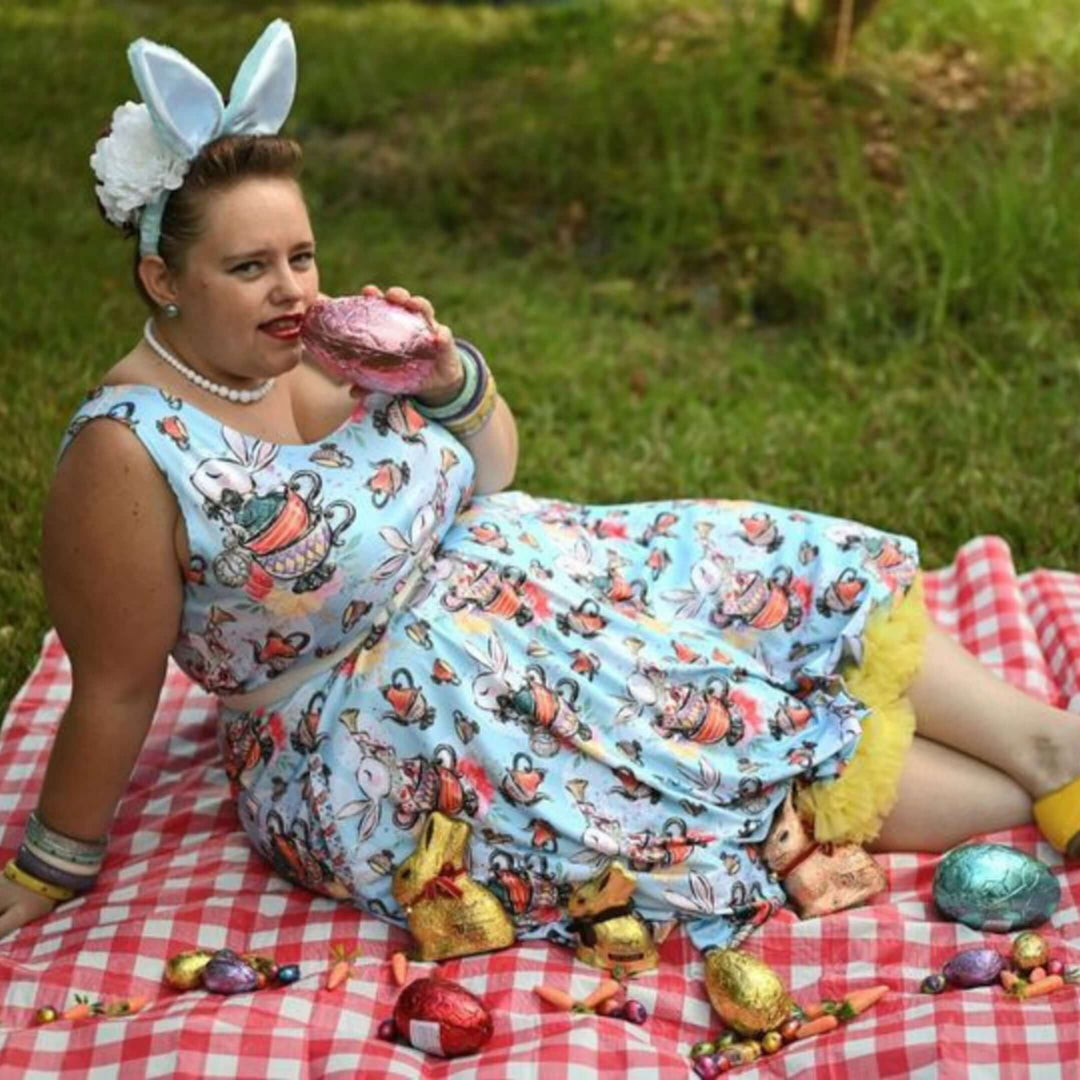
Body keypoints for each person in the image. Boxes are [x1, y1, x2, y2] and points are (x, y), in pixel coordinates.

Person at [2, 20, 1079, 949]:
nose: (292, 291)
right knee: (694, 753)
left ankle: (1051, 745)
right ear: (162, 279)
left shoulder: (302, 354)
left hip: (512, 580)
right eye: (250, 269)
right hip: (378, 731)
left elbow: (494, 469)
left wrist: (446, 377)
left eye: (302, 256)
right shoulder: (128, 452)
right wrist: (53, 862)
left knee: (753, 564)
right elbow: (114, 684)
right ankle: (1032, 801)